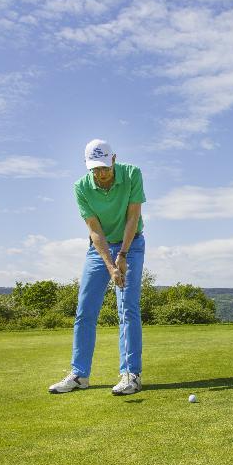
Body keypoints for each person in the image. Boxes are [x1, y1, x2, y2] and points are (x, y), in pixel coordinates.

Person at [48, 139, 146, 396]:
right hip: (99, 248)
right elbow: (95, 230)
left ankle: (130, 374)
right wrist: (110, 265)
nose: (101, 174)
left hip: (131, 244)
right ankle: (80, 375)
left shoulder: (132, 173)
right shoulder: (81, 187)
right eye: (95, 170)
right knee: (85, 310)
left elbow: (133, 216)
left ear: (114, 159)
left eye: (105, 167)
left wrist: (122, 256)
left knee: (127, 308)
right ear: (87, 167)